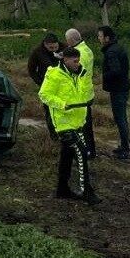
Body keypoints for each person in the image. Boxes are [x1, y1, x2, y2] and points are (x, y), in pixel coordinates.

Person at [39, 47, 99, 205]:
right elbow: (44, 95)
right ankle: (87, 191)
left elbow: (81, 93)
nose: (77, 63)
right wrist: (62, 105)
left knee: (66, 157)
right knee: (81, 154)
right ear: (65, 60)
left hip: (78, 122)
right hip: (63, 125)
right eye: (74, 61)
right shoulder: (55, 74)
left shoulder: (79, 73)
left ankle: (62, 189)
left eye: (78, 60)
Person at [98, 25, 130, 160]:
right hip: (123, 87)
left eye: (100, 36)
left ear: (107, 38)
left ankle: (125, 149)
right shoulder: (117, 47)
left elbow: (116, 70)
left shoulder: (111, 52)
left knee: (120, 119)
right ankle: (124, 146)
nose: (98, 38)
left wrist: (104, 77)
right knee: (122, 118)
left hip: (118, 89)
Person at [65, 28, 96, 158]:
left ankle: (87, 151)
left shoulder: (79, 53)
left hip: (81, 94)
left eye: (67, 40)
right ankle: (89, 149)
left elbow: (75, 71)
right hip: (87, 91)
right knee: (86, 124)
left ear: (71, 40)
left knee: (84, 125)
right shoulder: (86, 49)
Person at [27, 32, 61, 137]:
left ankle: (64, 132)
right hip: (47, 85)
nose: (54, 49)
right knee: (50, 111)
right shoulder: (37, 52)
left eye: (56, 47)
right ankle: (53, 135)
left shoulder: (64, 47)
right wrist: (40, 82)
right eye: (51, 47)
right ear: (45, 44)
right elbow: (31, 69)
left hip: (63, 85)